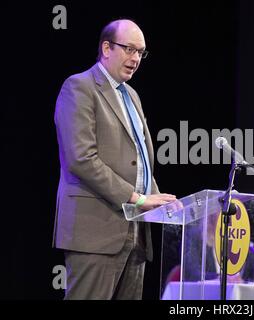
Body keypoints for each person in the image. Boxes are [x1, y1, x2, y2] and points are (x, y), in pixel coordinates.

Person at [53, 19, 176, 300]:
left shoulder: (131, 95)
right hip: (95, 232)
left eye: (141, 53)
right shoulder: (79, 87)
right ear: (106, 48)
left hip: (136, 235)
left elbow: (140, 161)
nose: (135, 59)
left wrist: (161, 201)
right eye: (129, 49)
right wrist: (138, 198)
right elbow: (81, 159)